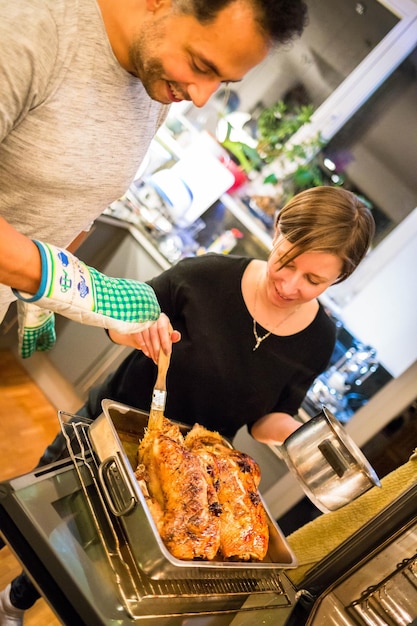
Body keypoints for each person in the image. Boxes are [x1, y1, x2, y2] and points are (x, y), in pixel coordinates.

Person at [0, 186, 375, 623]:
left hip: (193, 476)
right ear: (278, 232)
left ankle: (13, 601)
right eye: (287, 262)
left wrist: (294, 436)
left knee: (95, 547)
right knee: (35, 512)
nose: (290, 285)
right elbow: (117, 318)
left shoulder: (318, 341)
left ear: (338, 280)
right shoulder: (205, 276)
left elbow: (265, 419)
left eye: (314, 280)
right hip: (107, 432)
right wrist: (137, 330)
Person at [0, 0, 308, 357]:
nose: (201, 96)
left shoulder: (155, 88)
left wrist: (42, 291)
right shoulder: (34, 27)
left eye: (221, 81)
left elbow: (81, 204)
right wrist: (79, 290)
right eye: (200, 65)